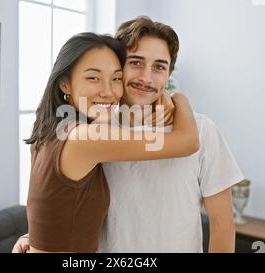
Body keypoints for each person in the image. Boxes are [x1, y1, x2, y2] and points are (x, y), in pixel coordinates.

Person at [14, 17, 243, 253]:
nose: (146, 78)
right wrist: (33, 236)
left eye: (159, 67)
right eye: (135, 62)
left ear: (169, 74)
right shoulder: (95, 126)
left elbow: (222, 224)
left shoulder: (202, 129)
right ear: (119, 66)